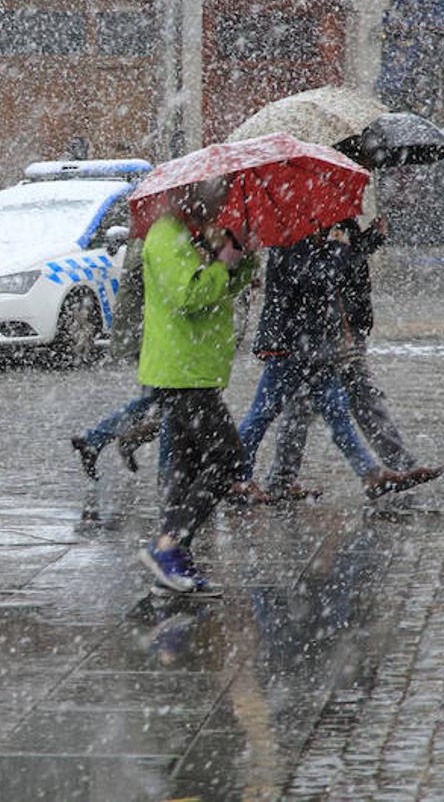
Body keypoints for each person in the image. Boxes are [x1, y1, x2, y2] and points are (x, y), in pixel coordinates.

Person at [235, 225, 440, 500]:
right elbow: (314, 280)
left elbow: (321, 279)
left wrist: (352, 244)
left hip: (314, 346)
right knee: (263, 412)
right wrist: (340, 248)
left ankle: (370, 474)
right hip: (289, 346)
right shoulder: (291, 236)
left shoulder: (307, 237)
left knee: (336, 412)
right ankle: (236, 476)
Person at [136, 177, 260, 596]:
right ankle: (167, 547)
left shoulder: (188, 235)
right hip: (181, 372)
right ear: (188, 198)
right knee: (227, 460)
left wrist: (239, 257)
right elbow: (189, 297)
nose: (218, 209)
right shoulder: (167, 237)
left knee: (187, 467)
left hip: (196, 370)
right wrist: (220, 265)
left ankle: (173, 557)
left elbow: (223, 292)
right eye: (213, 201)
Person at [70, 234, 173, 483]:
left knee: (164, 401)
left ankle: (105, 439)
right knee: (168, 401)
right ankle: (167, 474)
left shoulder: (155, 234)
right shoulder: (156, 238)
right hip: (151, 333)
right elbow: (162, 282)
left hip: (153, 332)